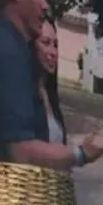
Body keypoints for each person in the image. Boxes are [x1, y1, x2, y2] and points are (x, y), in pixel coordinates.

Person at [0, 0, 103, 170]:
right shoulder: (8, 51)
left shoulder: (15, 49)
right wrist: (82, 153)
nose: (45, 4)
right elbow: (22, 150)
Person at [34, 16, 66, 144]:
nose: (53, 52)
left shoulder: (49, 94)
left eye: (56, 45)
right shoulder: (25, 93)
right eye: (46, 43)